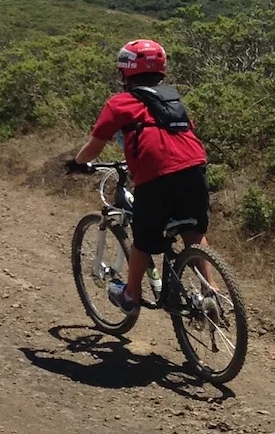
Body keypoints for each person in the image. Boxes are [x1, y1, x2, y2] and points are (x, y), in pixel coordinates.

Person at [66, 39, 209, 314]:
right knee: (194, 230)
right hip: (194, 167)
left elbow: (95, 145)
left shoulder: (120, 103)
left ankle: (131, 297)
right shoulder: (172, 98)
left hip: (156, 177)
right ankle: (210, 292)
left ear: (125, 72)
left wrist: (77, 163)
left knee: (143, 239)